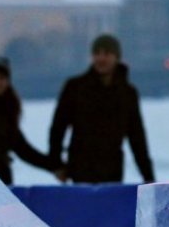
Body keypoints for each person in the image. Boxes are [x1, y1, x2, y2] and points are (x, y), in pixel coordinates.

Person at [49, 34, 155, 184]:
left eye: (106, 53)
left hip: (112, 171)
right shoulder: (75, 87)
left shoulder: (127, 93)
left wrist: (148, 176)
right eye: (97, 53)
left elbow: (137, 137)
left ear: (116, 57)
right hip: (80, 169)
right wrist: (56, 164)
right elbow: (58, 128)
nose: (101, 58)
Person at [0, 56, 60, 185]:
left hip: (2, 180)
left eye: (1, 78)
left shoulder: (7, 109)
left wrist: (55, 166)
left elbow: (22, 148)